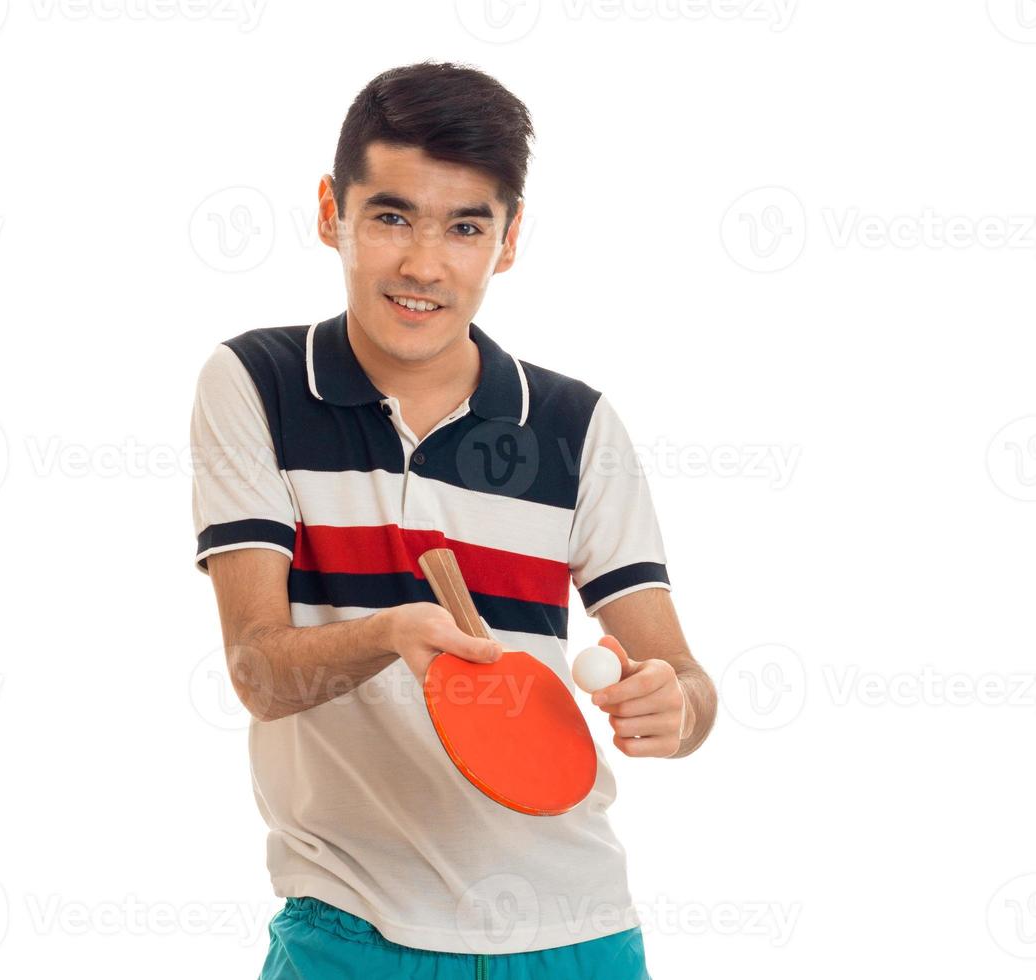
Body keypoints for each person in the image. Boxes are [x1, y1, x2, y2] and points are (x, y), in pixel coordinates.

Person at [189, 61, 717, 979]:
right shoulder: (256, 385)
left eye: (465, 227)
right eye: (391, 216)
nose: (424, 264)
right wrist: (391, 634)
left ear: (506, 242)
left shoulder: (578, 426)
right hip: (350, 933)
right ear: (331, 214)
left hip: (577, 934)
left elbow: (686, 678)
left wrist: (673, 704)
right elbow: (258, 672)